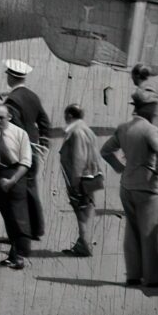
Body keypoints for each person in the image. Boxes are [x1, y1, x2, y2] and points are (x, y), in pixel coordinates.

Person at [100, 89, 158, 289]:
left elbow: (105, 151)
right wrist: (157, 174)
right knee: (150, 233)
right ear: (150, 109)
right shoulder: (150, 130)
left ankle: (133, 274)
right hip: (147, 187)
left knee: (132, 230)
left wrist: (119, 168)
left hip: (127, 184)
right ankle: (154, 278)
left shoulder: (124, 128)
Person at [0, 62, 53, 241]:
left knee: (16, 196)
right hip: (34, 150)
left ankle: (19, 234)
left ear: (11, 77)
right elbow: (44, 121)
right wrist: (43, 143)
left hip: (21, 153)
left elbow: (15, 130)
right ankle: (36, 230)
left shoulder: (12, 101)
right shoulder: (32, 96)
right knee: (31, 190)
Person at [0, 104, 36, 269]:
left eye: (1, 117)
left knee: (17, 214)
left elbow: (26, 162)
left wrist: (12, 180)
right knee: (7, 215)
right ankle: (14, 253)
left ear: (9, 117)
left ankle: (19, 256)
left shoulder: (20, 134)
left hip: (16, 174)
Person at [56, 106, 102, 257]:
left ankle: (84, 245)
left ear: (69, 115)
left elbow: (78, 158)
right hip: (91, 176)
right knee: (86, 210)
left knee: (81, 212)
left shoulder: (76, 132)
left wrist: (75, 183)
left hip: (81, 179)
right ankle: (82, 242)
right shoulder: (87, 130)